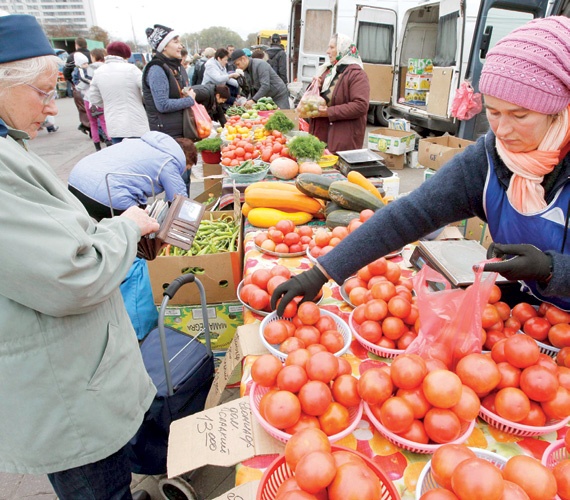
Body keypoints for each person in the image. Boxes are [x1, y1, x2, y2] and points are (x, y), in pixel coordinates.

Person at [272, 16, 570, 317]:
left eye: (519, 116)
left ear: (561, 110)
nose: (503, 130)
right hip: (531, 320)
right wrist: (322, 271)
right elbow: (412, 214)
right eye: (493, 112)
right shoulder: (490, 158)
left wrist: (552, 269)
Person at [0, 14, 158, 500]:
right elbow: (76, 272)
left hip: (72, 374)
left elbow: (63, 232)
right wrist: (125, 229)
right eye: (44, 92)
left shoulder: (11, 144)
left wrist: (111, 233)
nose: (52, 108)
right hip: (63, 393)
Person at [67, 131, 197, 219]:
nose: (184, 172)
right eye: (187, 168)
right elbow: (179, 201)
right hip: (107, 194)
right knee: (139, 232)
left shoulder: (143, 143)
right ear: (185, 159)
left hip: (76, 182)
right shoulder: (170, 161)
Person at [307, 33, 370, 153]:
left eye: (331, 47)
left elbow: (361, 106)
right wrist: (316, 87)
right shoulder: (328, 71)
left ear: (342, 49)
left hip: (343, 139)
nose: (327, 51)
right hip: (322, 136)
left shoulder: (357, 74)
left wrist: (329, 112)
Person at [88, 41, 150, 144]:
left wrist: (108, 104)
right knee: (139, 154)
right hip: (136, 122)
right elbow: (147, 90)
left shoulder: (98, 72)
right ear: (126, 55)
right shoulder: (132, 69)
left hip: (114, 124)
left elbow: (94, 98)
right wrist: (141, 100)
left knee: (121, 155)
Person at [142, 24, 196, 140]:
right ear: (164, 46)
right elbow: (162, 105)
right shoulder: (157, 69)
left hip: (178, 128)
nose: (181, 46)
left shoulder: (175, 66)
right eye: (175, 42)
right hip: (167, 133)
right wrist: (189, 100)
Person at [76, 48, 111, 151]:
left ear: (94, 57)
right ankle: (110, 142)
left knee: (93, 123)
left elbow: (81, 86)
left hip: (89, 99)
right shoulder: (107, 68)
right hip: (102, 99)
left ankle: (97, 145)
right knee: (104, 122)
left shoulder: (89, 69)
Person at [63, 36, 91, 135]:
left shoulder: (72, 57)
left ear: (76, 45)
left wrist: (73, 82)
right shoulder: (92, 54)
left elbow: (66, 72)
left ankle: (88, 126)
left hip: (79, 86)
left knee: (83, 107)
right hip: (93, 85)